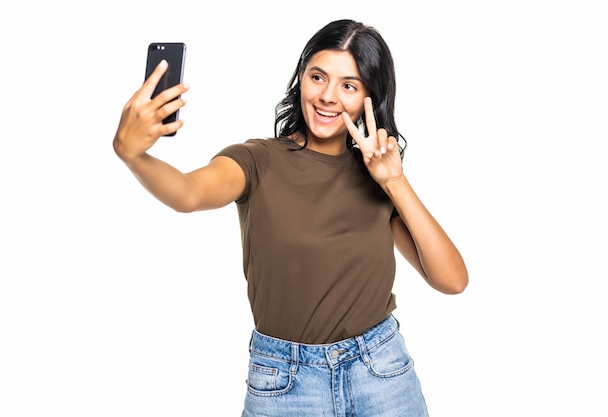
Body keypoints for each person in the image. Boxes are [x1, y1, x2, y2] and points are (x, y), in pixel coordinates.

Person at [113, 18, 468, 417]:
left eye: (348, 85)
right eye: (318, 77)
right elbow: (187, 193)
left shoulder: (377, 178)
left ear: (371, 96)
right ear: (301, 78)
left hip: (380, 373)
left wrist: (395, 182)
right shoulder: (257, 160)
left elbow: (452, 280)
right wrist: (133, 155)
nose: (328, 97)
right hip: (284, 382)